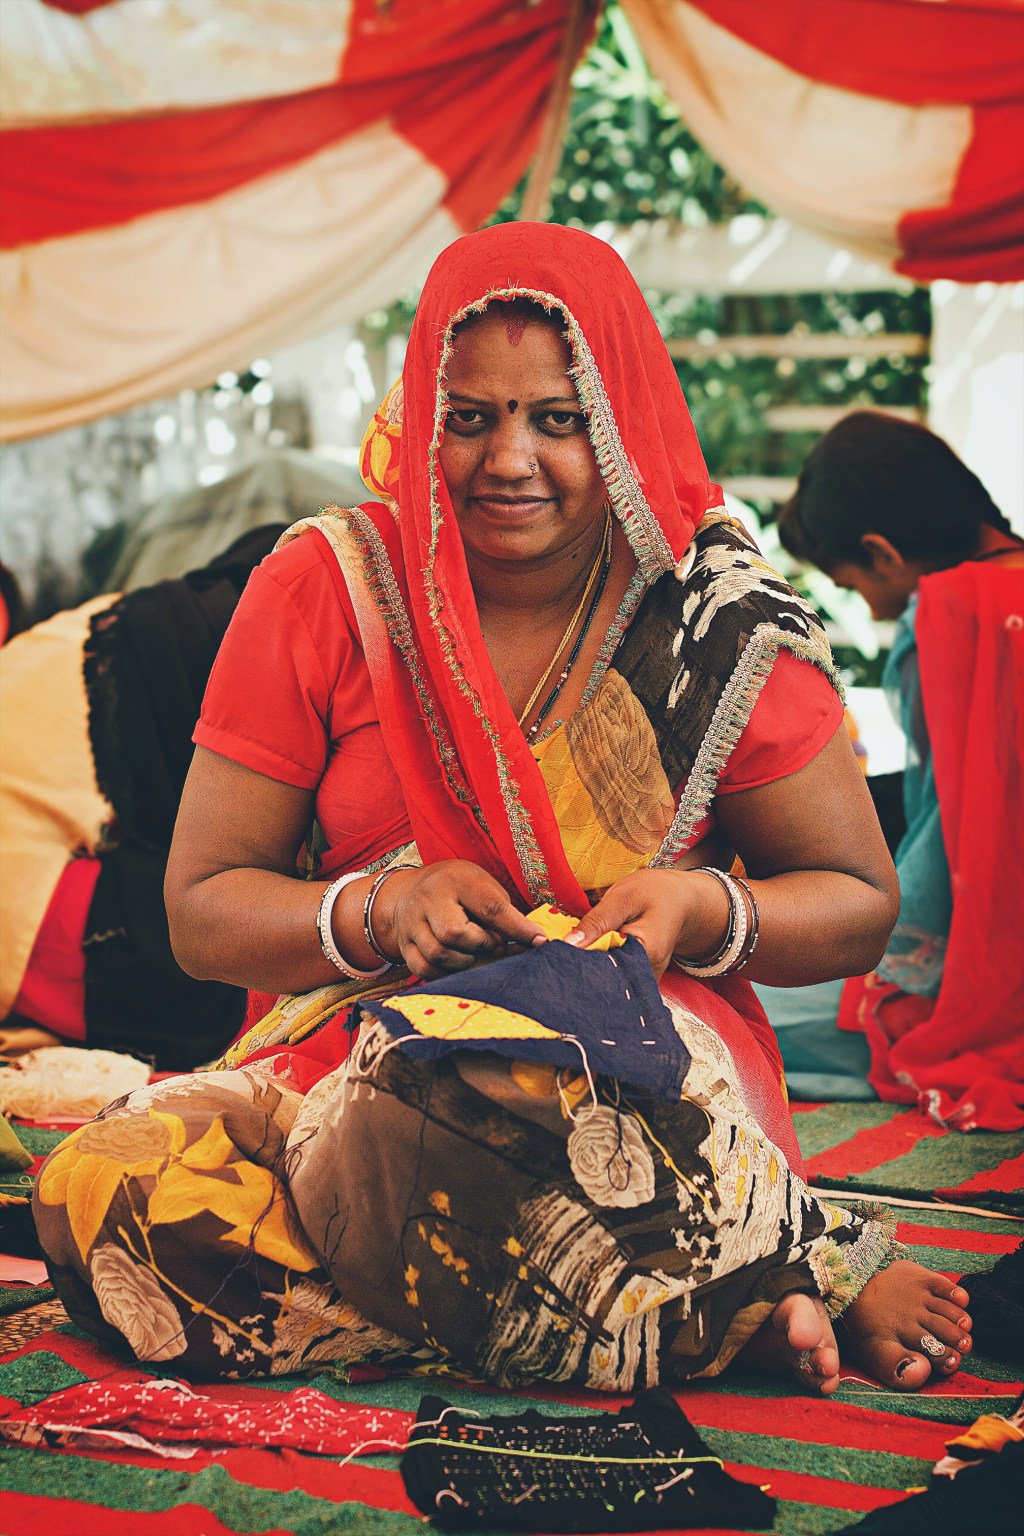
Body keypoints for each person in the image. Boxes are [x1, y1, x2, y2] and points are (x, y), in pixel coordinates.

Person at [34, 226, 975, 1397]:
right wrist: (380, 910)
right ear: (420, 415)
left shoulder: (709, 615)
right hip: (350, 1055)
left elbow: (855, 907)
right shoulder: (331, 585)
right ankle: (728, 1297)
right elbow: (202, 911)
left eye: (559, 419)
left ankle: (703, 1276)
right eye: (469, 417)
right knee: (103, 1187)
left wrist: (694, 907)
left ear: (620, 417)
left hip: (623, 1062)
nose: (508, 460)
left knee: (479, 1095)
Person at [756, 412, 1024, 1131]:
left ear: (882, 553)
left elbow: (948, 841)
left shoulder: (951, 615)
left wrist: (882, 969)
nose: (870, 609)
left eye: (850, 584)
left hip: (998, 979)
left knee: (720, 1009)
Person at [0, 525, 286, 1068]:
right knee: (252, 961)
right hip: (41, 911)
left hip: (64, 882)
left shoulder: (165, 620)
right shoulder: (268, 633)